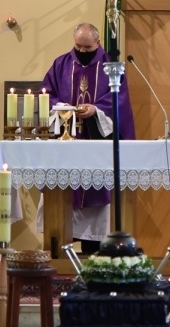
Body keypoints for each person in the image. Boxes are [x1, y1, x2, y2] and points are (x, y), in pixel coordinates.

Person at [39, 22, 135, 249]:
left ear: (98, 43)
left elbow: (119, 100)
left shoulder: (111, 66)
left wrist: (96, 109)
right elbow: (46, 94)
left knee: (96, 204)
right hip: (66, 142)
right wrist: (62, 107)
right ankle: (59, 252)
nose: (82, 52)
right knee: (62, 198)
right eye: (78, 47)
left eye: (87, 48)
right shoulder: (61, 64)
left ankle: (94, 250)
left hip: (97, 143)